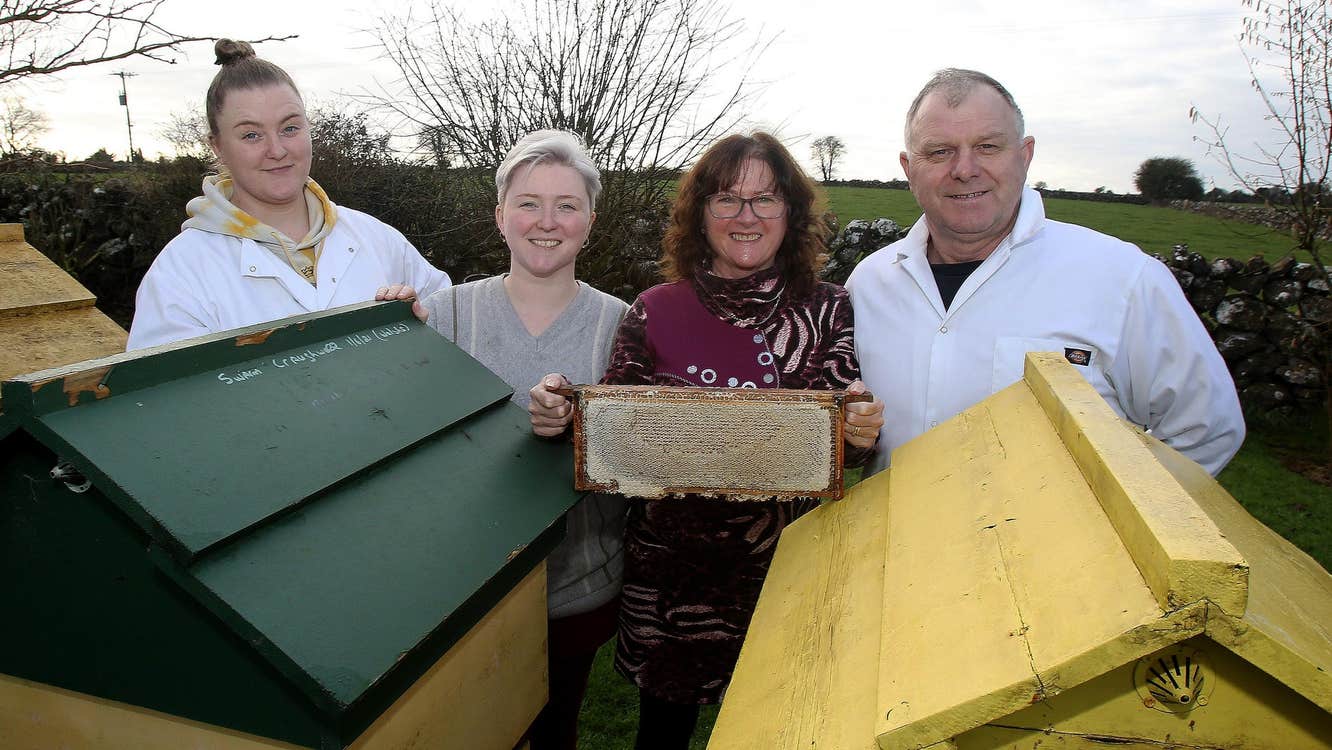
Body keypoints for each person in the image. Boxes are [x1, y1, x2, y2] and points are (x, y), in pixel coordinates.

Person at [529, 132, 885, 749]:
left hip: (786, 571)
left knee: (776, 733)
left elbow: (840, 430)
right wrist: (567, 412)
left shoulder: (828, 309)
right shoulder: (654, 309)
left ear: (791, 213)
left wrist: (856, 430)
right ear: (700, 214)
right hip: (671, 586)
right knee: (661, 740)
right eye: (727, 199)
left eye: (765, 199)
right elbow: (615, 432)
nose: (746, 217)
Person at [846, 68, 1244, 476]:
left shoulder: (1124, 278)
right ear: (908, 168)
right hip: (892, 539)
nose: (965, 169)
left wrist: (1112, 526)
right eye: (939, 152)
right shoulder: (868, 284)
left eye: (987, 146)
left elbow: (1206, 430)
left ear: (1025, 155)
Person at [413, 130, 628, 750]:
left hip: (576, 585)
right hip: (462, 590)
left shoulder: (623, 324)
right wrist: (387, 333)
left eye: (567, 204)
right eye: (529, 202)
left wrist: (580, 426)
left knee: (555, 731)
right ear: (500, 215)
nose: (547, 221)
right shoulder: (444, 316)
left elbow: (644, 448)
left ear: (590, 220)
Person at [127, 39, 449, 350]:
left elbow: (454, 327)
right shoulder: (180, 273)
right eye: (251, 135)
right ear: (218, 146)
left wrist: (420, 329)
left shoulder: (377, 240)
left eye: (290, 128)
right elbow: (165, 397)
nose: (277, 150)